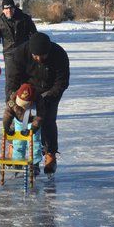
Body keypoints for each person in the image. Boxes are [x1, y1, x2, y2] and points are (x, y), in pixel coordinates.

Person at [8, 32, 70, 175]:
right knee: (22, 120)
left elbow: (62, 82)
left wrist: (48, 97)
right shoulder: (20, 53)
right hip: (26, 91)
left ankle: (50, 154)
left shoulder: (59, 54)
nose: (39, 59)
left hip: (49, 91)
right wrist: (13, 99)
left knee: (48, 119)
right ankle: (16, 149)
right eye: (36, 56)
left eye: (42, 56)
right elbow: (13, 79)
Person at [0, 0, 38, 100]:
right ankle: (11, 108)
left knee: (26, 81)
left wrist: (36, 52)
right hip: (10, 55)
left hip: (25, 53)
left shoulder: (24, 19)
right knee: (11, 83)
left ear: (14, 8)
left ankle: (27, 107)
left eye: (10, 8)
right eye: (6, 8)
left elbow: (34, 36)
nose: (9, 11)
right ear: (3, 10)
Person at [3, 83, 43, 176]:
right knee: (18, 141)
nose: (22, 106)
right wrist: (7, 127)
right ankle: (17, 162)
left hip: (32, 121)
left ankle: (35, 163)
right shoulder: (13, 99)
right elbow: (7, 114)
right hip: (19, 121)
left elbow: (39, 117)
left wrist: (32, 129)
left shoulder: (38, 100)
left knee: (34, 141)